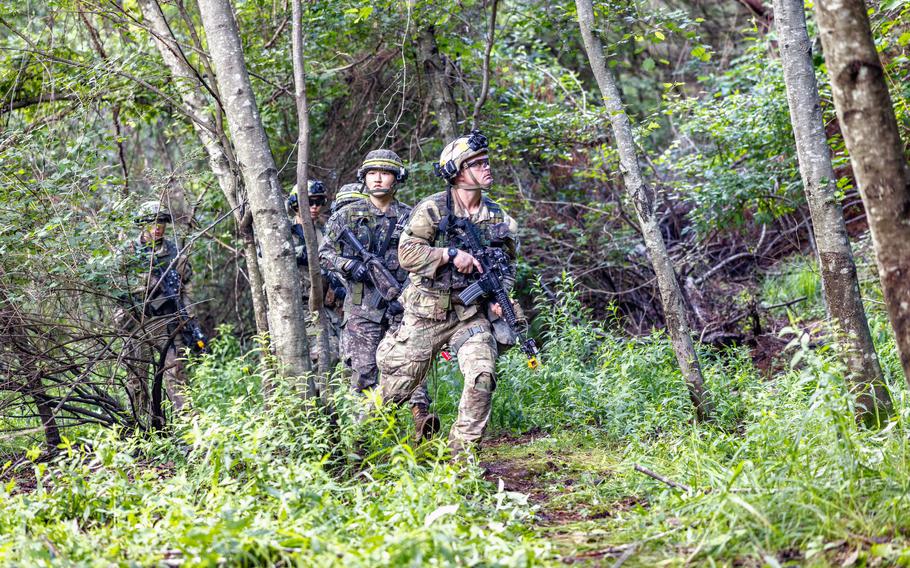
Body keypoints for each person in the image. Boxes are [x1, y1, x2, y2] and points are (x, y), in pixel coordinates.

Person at [376, 131, 521, 455]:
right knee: (394, 390)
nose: (487, 168)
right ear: (457, 171)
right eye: (478, 163)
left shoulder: (500, 220)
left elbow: (508, 266)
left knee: (483, 376)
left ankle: (460, 463)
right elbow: (407, 254)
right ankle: (358, 444)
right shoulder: (432, 210)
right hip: (426, 314)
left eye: (487, 161)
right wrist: (449, 255)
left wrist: (502, 297)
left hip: (470, 317)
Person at [319, 150, 439, 439]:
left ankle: (420, 420)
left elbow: (428, 256)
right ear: (364, 178)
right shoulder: (346, 216)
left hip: (403, 305)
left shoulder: (411, 216)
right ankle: (365, 438)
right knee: (364, 374)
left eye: (384, 173)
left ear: (396, 179)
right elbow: (324, 254)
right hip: (362, 310)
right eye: (372, 173)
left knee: (411, 365)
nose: (378, 178)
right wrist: (348, 265)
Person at [116, 201, 199, 427]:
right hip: (137, 321)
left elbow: (185, 287)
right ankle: (142, 430)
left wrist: (188, 318)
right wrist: (146, 282)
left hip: (167, 320)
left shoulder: (173, 251)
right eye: (152, 222)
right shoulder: (128, 253)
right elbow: (116, 285)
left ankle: (190, 432)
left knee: (176, 372)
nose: (157, 227)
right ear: (143, 225)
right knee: (137, 378)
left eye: (161, 221)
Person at [288, 180, 342, 369]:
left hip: (322, 305)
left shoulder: (323, 232)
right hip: (299, 306)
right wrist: (308, 252)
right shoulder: (285, 231)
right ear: (296, 203)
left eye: (319, 202)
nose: (315, 207)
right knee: (317, 354)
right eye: (310, 202)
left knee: (338, 352)